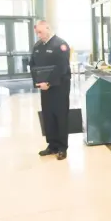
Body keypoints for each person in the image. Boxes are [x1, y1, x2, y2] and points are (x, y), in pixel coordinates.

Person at [29, 20, 71, 160]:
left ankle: (62, 147)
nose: (38, 35)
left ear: (48, 28)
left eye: (40, 32)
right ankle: (52, 145)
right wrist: (38, 82)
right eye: (37, 33)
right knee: (48, 115)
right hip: (44, 88)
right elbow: (33, 65)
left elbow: (62, 68)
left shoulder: (60, 44)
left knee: (60, 115)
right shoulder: (37, 46)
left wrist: (49, 82)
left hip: (59, 87)